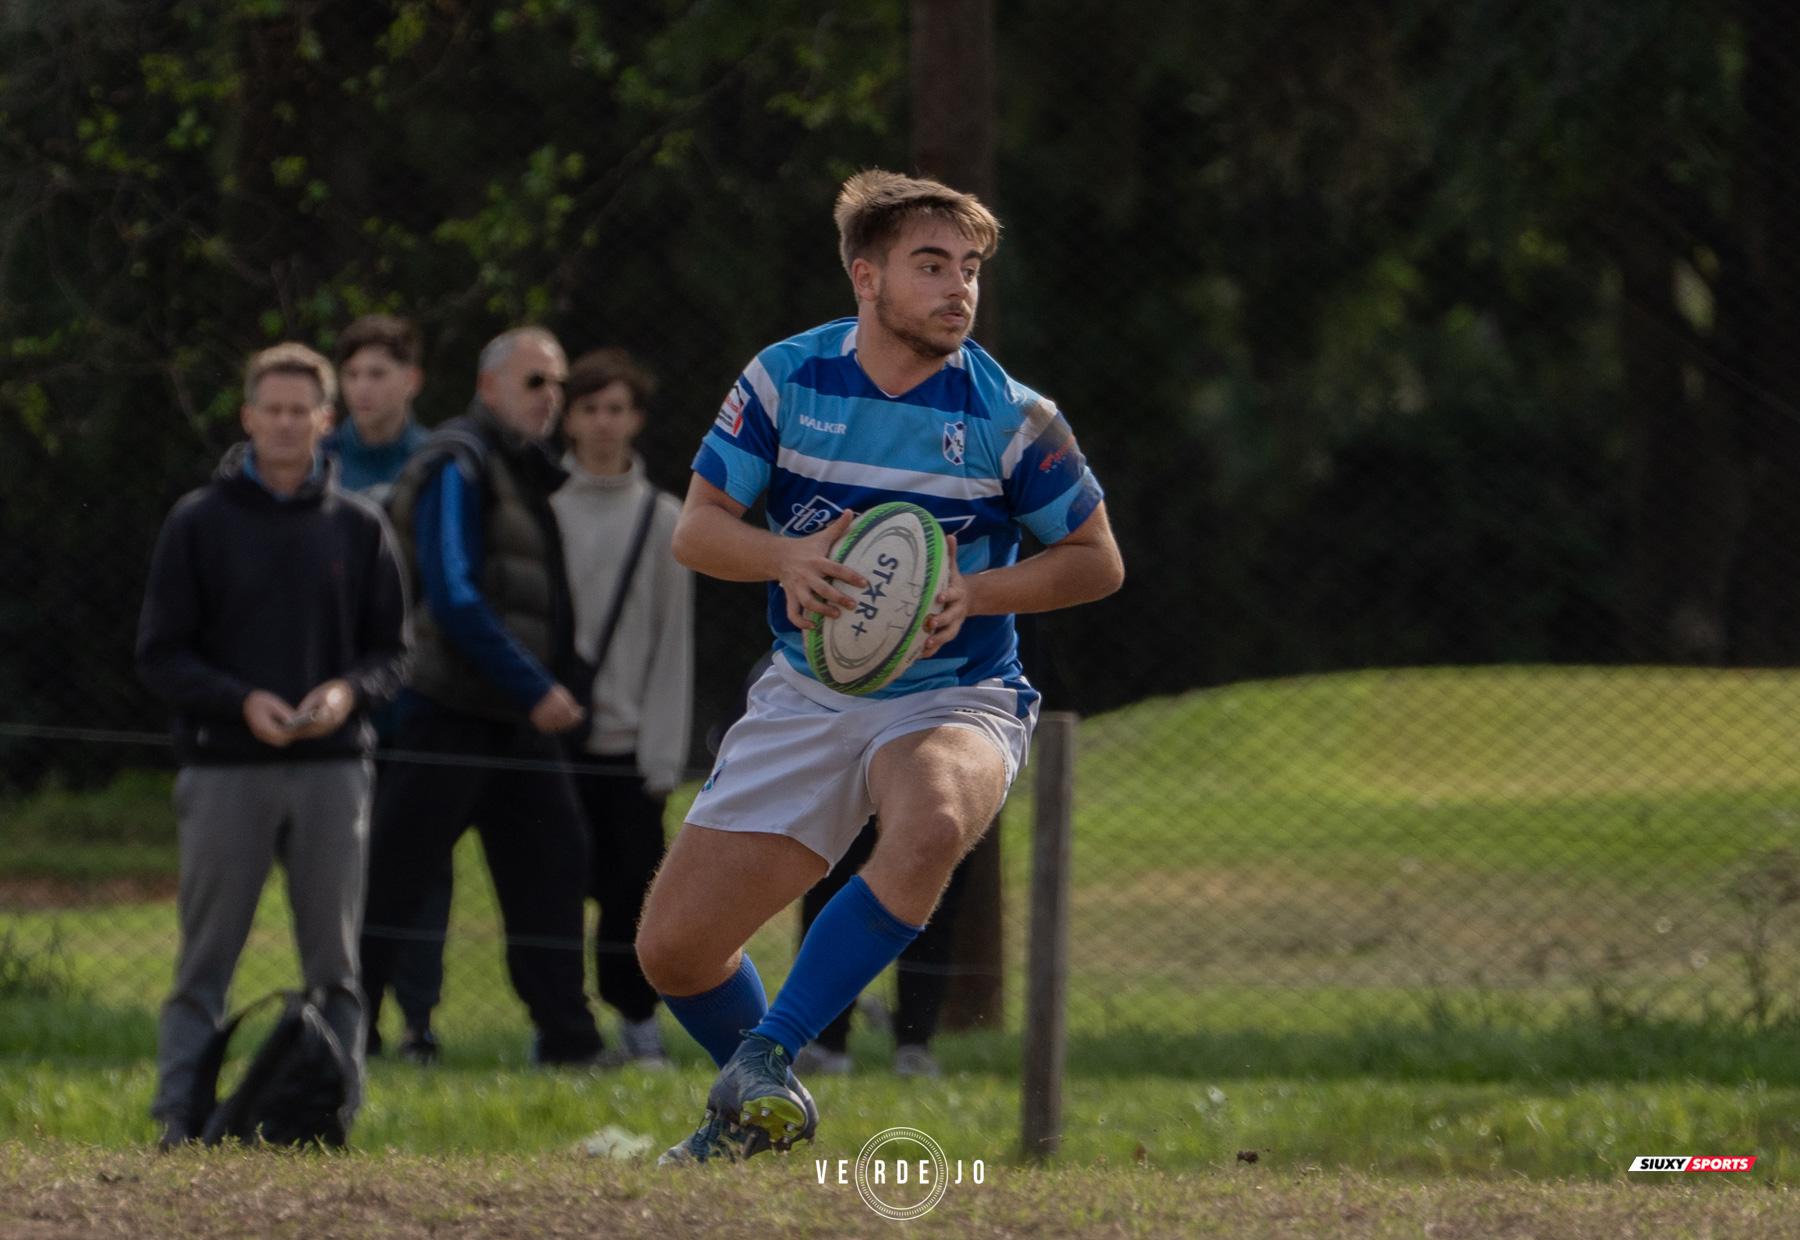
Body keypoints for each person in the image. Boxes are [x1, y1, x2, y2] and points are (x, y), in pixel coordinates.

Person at [638, 170, 1124, 1164]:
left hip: (959, 693)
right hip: (811, 688)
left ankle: (768, 1058)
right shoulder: (785, 381)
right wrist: (784, 556)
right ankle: (757, 1120)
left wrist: (973, 592)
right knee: (674, 951)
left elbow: (1096, 561)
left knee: (936, 818)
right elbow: (696, 531)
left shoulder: (1012, 415)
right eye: (932, 265)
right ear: (867, 276)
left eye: (972, 269)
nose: (959, 289)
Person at [137, 342, 409, 1147]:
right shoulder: (197, 522)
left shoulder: (360, 528)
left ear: (326, 423)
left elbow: (394, 653)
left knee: (337, 966)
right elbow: (161, 653)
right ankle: (178, 1117)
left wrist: (343, 694)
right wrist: (239, 700)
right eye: (273, 410)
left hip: (333, 770)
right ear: (248, 417)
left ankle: (332, 1113)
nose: (287, 424)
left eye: (303, 412)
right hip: (225, 767)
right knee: (204, 961)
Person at [358, 326, 605, 1067]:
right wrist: (537, 688)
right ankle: (343, 1029)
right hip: (453, 713)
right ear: (489, 385)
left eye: (558, 384)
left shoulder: (519, 468)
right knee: (394, 882)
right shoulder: (458, 462)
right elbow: (456, 598)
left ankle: (569, 1043)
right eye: (535, 382)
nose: (551, 399)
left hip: (515, 723)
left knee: (555, 866)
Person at [549, 348, 693, 1069]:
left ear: (636, 419)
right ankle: (562, 1030)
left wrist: (662, 754)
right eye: (589, 409)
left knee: (634, 895)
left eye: (617, 409)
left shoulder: (668, 519)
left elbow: (675, 646)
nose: (603, 423)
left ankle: (638, 1023)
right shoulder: (542, 511)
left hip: (630, 748)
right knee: (551, 892)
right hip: (551, 742)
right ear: (567, 419)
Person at [321, 314, 448, 1065]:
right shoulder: (315, 459)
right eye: (354, 373)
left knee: (419, 867)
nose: (364, 387)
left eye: (379, 373)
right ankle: (345, 1015)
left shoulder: (435, 463)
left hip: (416, 697)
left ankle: (419, 1019)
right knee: (338, 861)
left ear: (411, 381)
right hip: (332, 696)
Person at [793, 817, 969, 1078]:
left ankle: (915, 1048)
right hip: (855, 785)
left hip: (945, 789)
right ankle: (825, 1044)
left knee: (932, 897)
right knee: (832, 885)